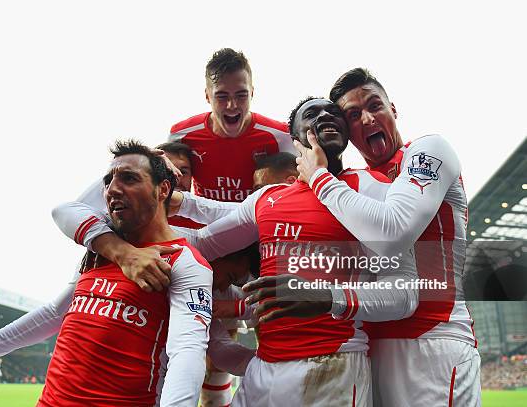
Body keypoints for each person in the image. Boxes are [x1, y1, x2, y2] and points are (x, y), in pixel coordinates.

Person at [170, 97, 418, 407]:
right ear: (294, 136)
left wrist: (324, 297)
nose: (326, 115)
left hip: (333, 367)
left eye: (334, 112)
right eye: (312, 113)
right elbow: (199, 242)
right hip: (263, 370)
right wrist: (120, 236)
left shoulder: (372, 188)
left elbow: (405, 295)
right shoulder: (268, 198)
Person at [0, 140, 213, 406]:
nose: (112, 190)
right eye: (108, 182)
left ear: (163, 190)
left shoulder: (184, 261)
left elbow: (186, 352)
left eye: (129, 179)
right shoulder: (101, 249)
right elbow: (56, 313)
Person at [287, 68, 479, 407]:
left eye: (375, 105)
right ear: (347, 132)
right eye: (353, 115)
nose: (367, 118)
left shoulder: (427, 151)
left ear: (393, 109)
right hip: (368, 346)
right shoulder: (356, 183)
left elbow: (393, 233)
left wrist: (318, 177)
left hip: (432, 344)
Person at [169, 48, 295, 202]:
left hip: (256, 222)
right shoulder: (181, 135)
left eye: (241, 95)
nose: (232, 105)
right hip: (206, 223)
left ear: (252, 93)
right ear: (207, 96)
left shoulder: (280, 135)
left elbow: (298, 189)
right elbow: (167, 188)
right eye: (222, 96)